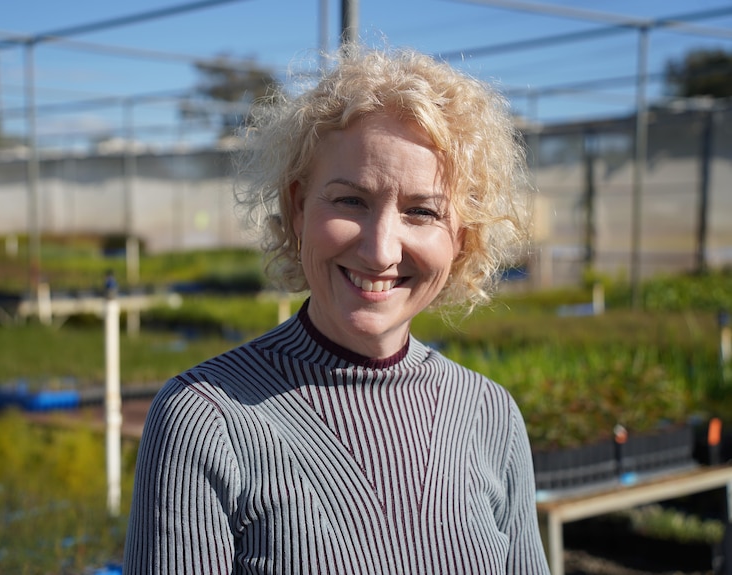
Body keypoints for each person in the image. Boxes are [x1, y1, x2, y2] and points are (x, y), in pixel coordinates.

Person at [124, 46, 550, 574]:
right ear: (298, 206)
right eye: (351, 201)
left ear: (460, 238)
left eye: (422, 212)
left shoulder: (490, 415)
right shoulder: (206, 420)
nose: (380, 250)